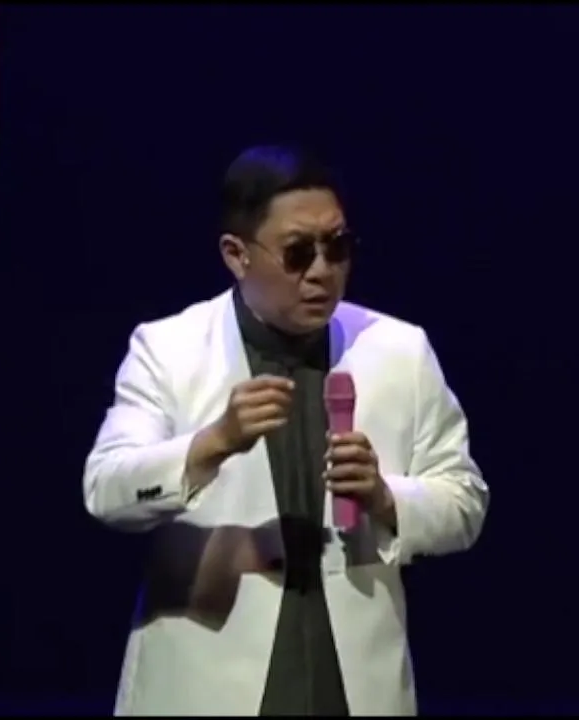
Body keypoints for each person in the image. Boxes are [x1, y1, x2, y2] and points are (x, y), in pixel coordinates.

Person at [82, 145, 489, 716]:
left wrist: (385, 498)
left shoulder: (400, 350)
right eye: (298, 253)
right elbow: (106, 490)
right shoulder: (168, 349)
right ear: (237, 255)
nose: (322, 271)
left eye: (337, 247)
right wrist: (212, 444)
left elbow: (465, 501)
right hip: (210, 685)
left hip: (352, 683)